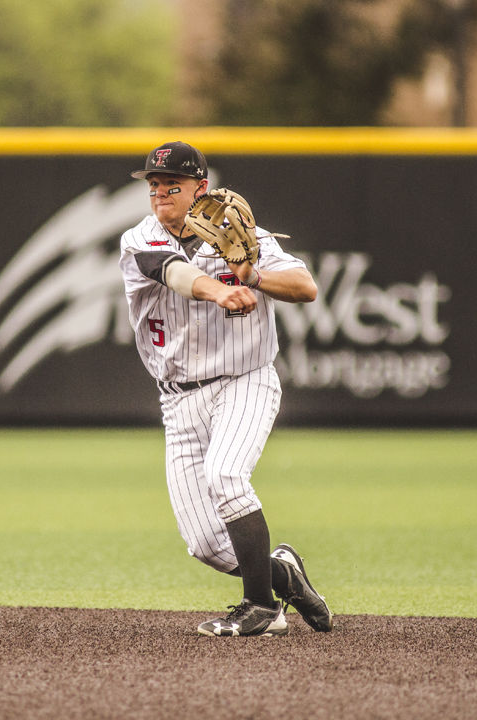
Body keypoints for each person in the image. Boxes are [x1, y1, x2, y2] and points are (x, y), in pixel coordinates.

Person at [118, 141, 333, 637]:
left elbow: (306, 287)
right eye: (153, 184)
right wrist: (221, 289)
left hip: (245, 380)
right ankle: (284, 576)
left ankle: (261, 607)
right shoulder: (138, 240)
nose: (160, 193)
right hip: (177, 400)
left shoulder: (243, 236)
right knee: (208, 545)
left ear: (201, 188)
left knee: (226, 476)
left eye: (173, 183)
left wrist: (253, 274)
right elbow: (173, 272)